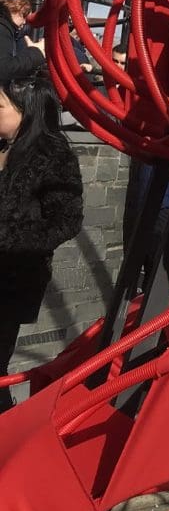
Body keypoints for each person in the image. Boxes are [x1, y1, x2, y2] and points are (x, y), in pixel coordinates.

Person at [0, 48, 83, 413]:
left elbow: (66, 221)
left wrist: (11, 242)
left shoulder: (52, 154)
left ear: (26, 108)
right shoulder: (4, 145)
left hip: (13, 279)